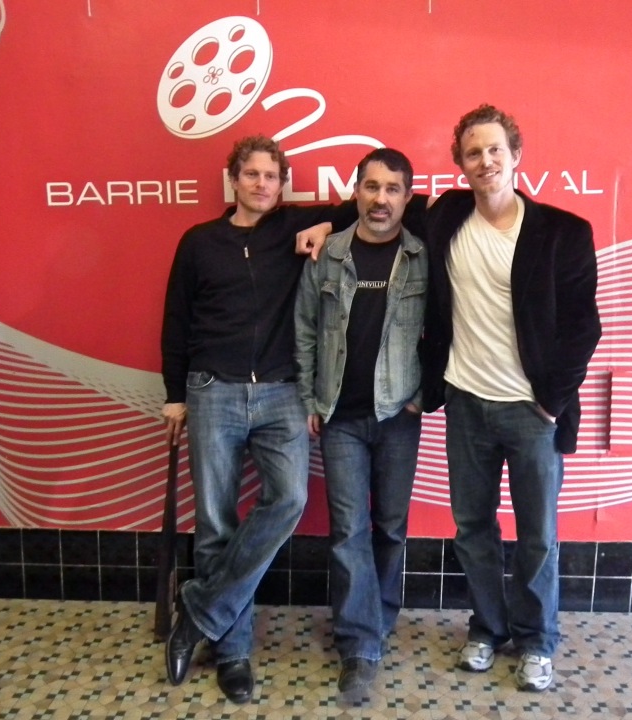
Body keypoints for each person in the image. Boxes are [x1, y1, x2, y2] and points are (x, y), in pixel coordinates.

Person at [160, 135, 357, 703]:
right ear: (234, 180)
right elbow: (176, 320)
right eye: (252, 175)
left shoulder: (293, 228)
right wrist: (176, 395)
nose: (262, 184)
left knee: (289, 499)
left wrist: (326, 227)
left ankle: (196, 613)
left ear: (282, 183)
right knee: (216, 523)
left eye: (272, 176)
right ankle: (233, 651)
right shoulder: (199, 242)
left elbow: (377, 206)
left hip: (281, 393)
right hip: (211, 389)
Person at [422, 104, 601, 692]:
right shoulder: (447, 216)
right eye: (473, 153)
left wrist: (551, 400)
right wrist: (323, 222)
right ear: (460, 165)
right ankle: (487, 628)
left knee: (537, 535)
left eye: (495, 149)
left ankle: (537, 640)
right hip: (466, 403)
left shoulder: (563, 232)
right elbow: (376, 207)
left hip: (531, 413)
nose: (485, 161)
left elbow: (584, 327)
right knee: (473, 527)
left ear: (516, 155)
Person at [294, 148, 426, 701]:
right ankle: (357, 643)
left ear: (406, 197)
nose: (380, 199)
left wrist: (424, 393)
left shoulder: (423, 256)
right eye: (371, 187)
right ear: (355, 191)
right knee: (348, 533)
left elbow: (447, 326)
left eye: (392, 188)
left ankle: (379, 616)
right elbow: (304, 328)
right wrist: (308, 397)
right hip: (341, 417)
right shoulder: (328, 254)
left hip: (399, 414)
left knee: (391, 528)